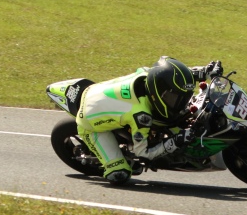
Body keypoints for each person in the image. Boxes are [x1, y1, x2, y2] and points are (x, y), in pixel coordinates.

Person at [75, 56, 223, 185]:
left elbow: (173, 76)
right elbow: (143, 153)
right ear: (159, 94)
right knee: (120, 174)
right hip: (89, 123)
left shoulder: (151, 75)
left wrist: (205, 71)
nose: (181, 102)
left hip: (97, 94)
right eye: (173, 98)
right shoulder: (141, 116)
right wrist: (176, 140)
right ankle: (113, 164)